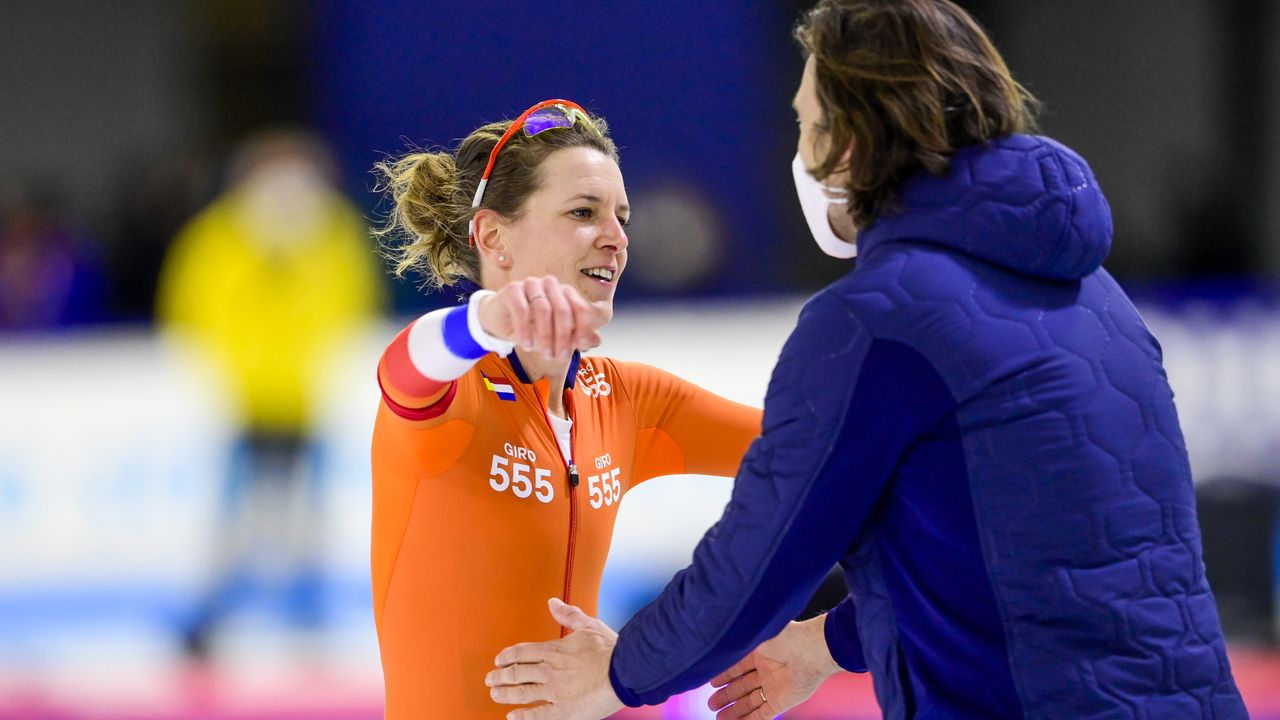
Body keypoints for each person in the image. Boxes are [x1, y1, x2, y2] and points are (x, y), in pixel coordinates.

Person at [486, 2, 1249, 719]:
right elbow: (1038, 549)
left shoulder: (878, 323)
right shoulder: (1098, 297)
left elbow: (760, 557)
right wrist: (829, 642)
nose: (801, 155)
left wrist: (616, 674)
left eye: (807, 126)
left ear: (851, 144)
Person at [368, 99, 762, 719]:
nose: (617, 238)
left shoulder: (628, 400)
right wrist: (488, 320)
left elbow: (809, 452)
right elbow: (403, 367)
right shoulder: (456, 392)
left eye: (621, 216)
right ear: (494, 237)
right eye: (584, 213)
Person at [156, 129, 385, 654]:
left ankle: (305, 612)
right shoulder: (220, 238)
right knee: (236, 520)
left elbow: (349, 301)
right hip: (247, 403)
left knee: (308, 518)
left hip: (306, 402)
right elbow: (194, 309)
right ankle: (213, 614)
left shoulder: (332, 235)